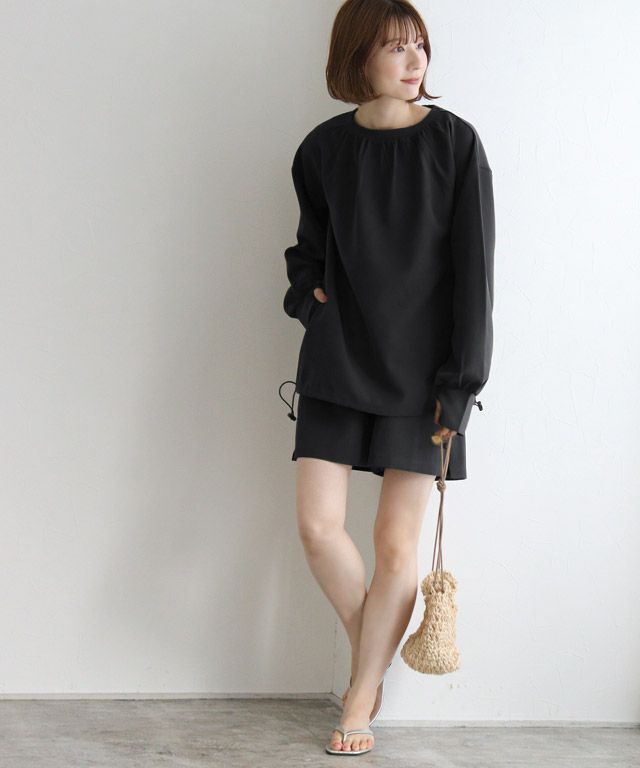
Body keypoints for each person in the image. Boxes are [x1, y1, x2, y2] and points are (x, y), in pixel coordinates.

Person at [278, 0, 495, 755]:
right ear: (357, 57)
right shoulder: (322, 149)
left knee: (395, 546)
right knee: (317, 527)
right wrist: (309, 300)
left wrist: (461, 385)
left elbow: (475, 273)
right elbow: (306, 251)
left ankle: (359, 697)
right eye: (396, 47)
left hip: (426, 375)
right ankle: (371, 654)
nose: (414, 62)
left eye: (419, 47)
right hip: (339, 358)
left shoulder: (455, 143)